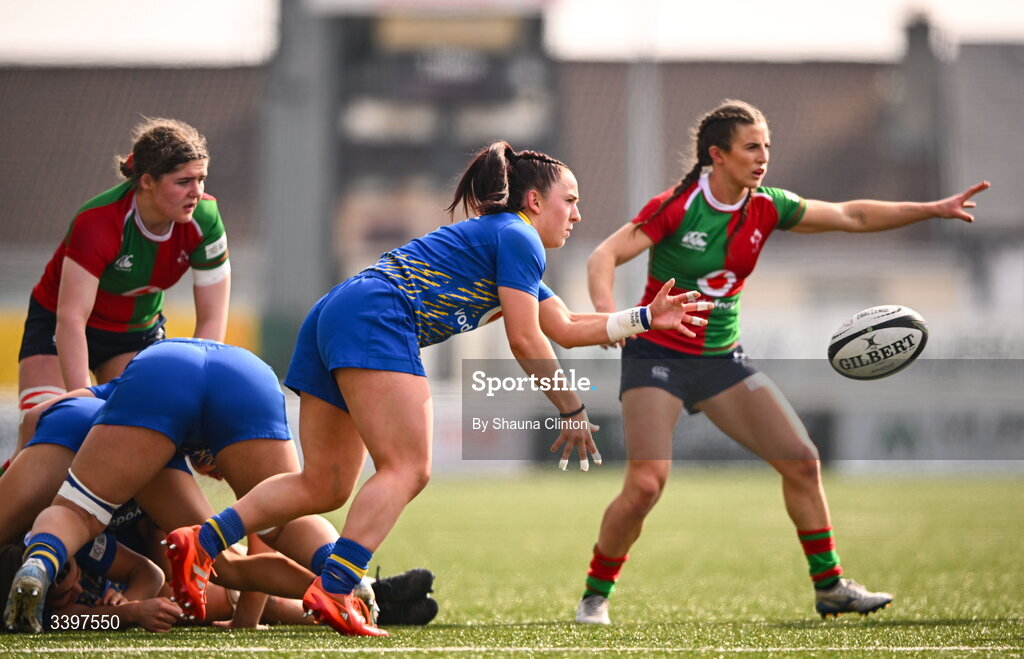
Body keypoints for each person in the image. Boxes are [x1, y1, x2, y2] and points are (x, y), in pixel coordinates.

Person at [164, 140, 713, 637]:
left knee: (326, 483)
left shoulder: (508, 244)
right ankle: (333, 591)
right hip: (377, 316)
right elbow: (526, 341)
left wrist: (643, 316)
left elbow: (564, 327)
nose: (577, 212)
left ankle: (201, 543)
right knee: (410, 468)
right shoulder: (520, 236)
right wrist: (570, 408)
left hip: (338, 312)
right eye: (569, 200)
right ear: (534, 201)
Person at [574, 99, 990, 624]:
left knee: (802, 459)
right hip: (658, 355)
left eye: (767, 146)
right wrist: (613, 316)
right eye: (752, 147)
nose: (763, 156)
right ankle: (595, 595)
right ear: (717, 156)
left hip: (722, 360)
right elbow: (602, 257)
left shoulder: (767, 206)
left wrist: (932, 208)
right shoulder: (677, 206)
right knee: (646, 485)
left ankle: (831, 586)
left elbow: (850, 215)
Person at [2, 338, 357, 633]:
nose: (216, 475)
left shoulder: (141, 445)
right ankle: (348, 583)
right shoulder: (156, 456)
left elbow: (38, 416)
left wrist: (20, 458)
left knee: (76, 514)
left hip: (146, 391)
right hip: (241, 371)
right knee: (278, 523)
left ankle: (41, 563)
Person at [14, 117, 230, 431]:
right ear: (147, 181)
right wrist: (81, 399)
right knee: (54, 429)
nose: (196, 192)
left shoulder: (206, 219)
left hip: (134, 333)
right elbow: (71, 318)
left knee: (138, 433)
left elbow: (211, 320)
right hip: (61, 326)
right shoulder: (98, 222)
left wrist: (197, 391)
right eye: (184, 181)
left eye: (202, 179)